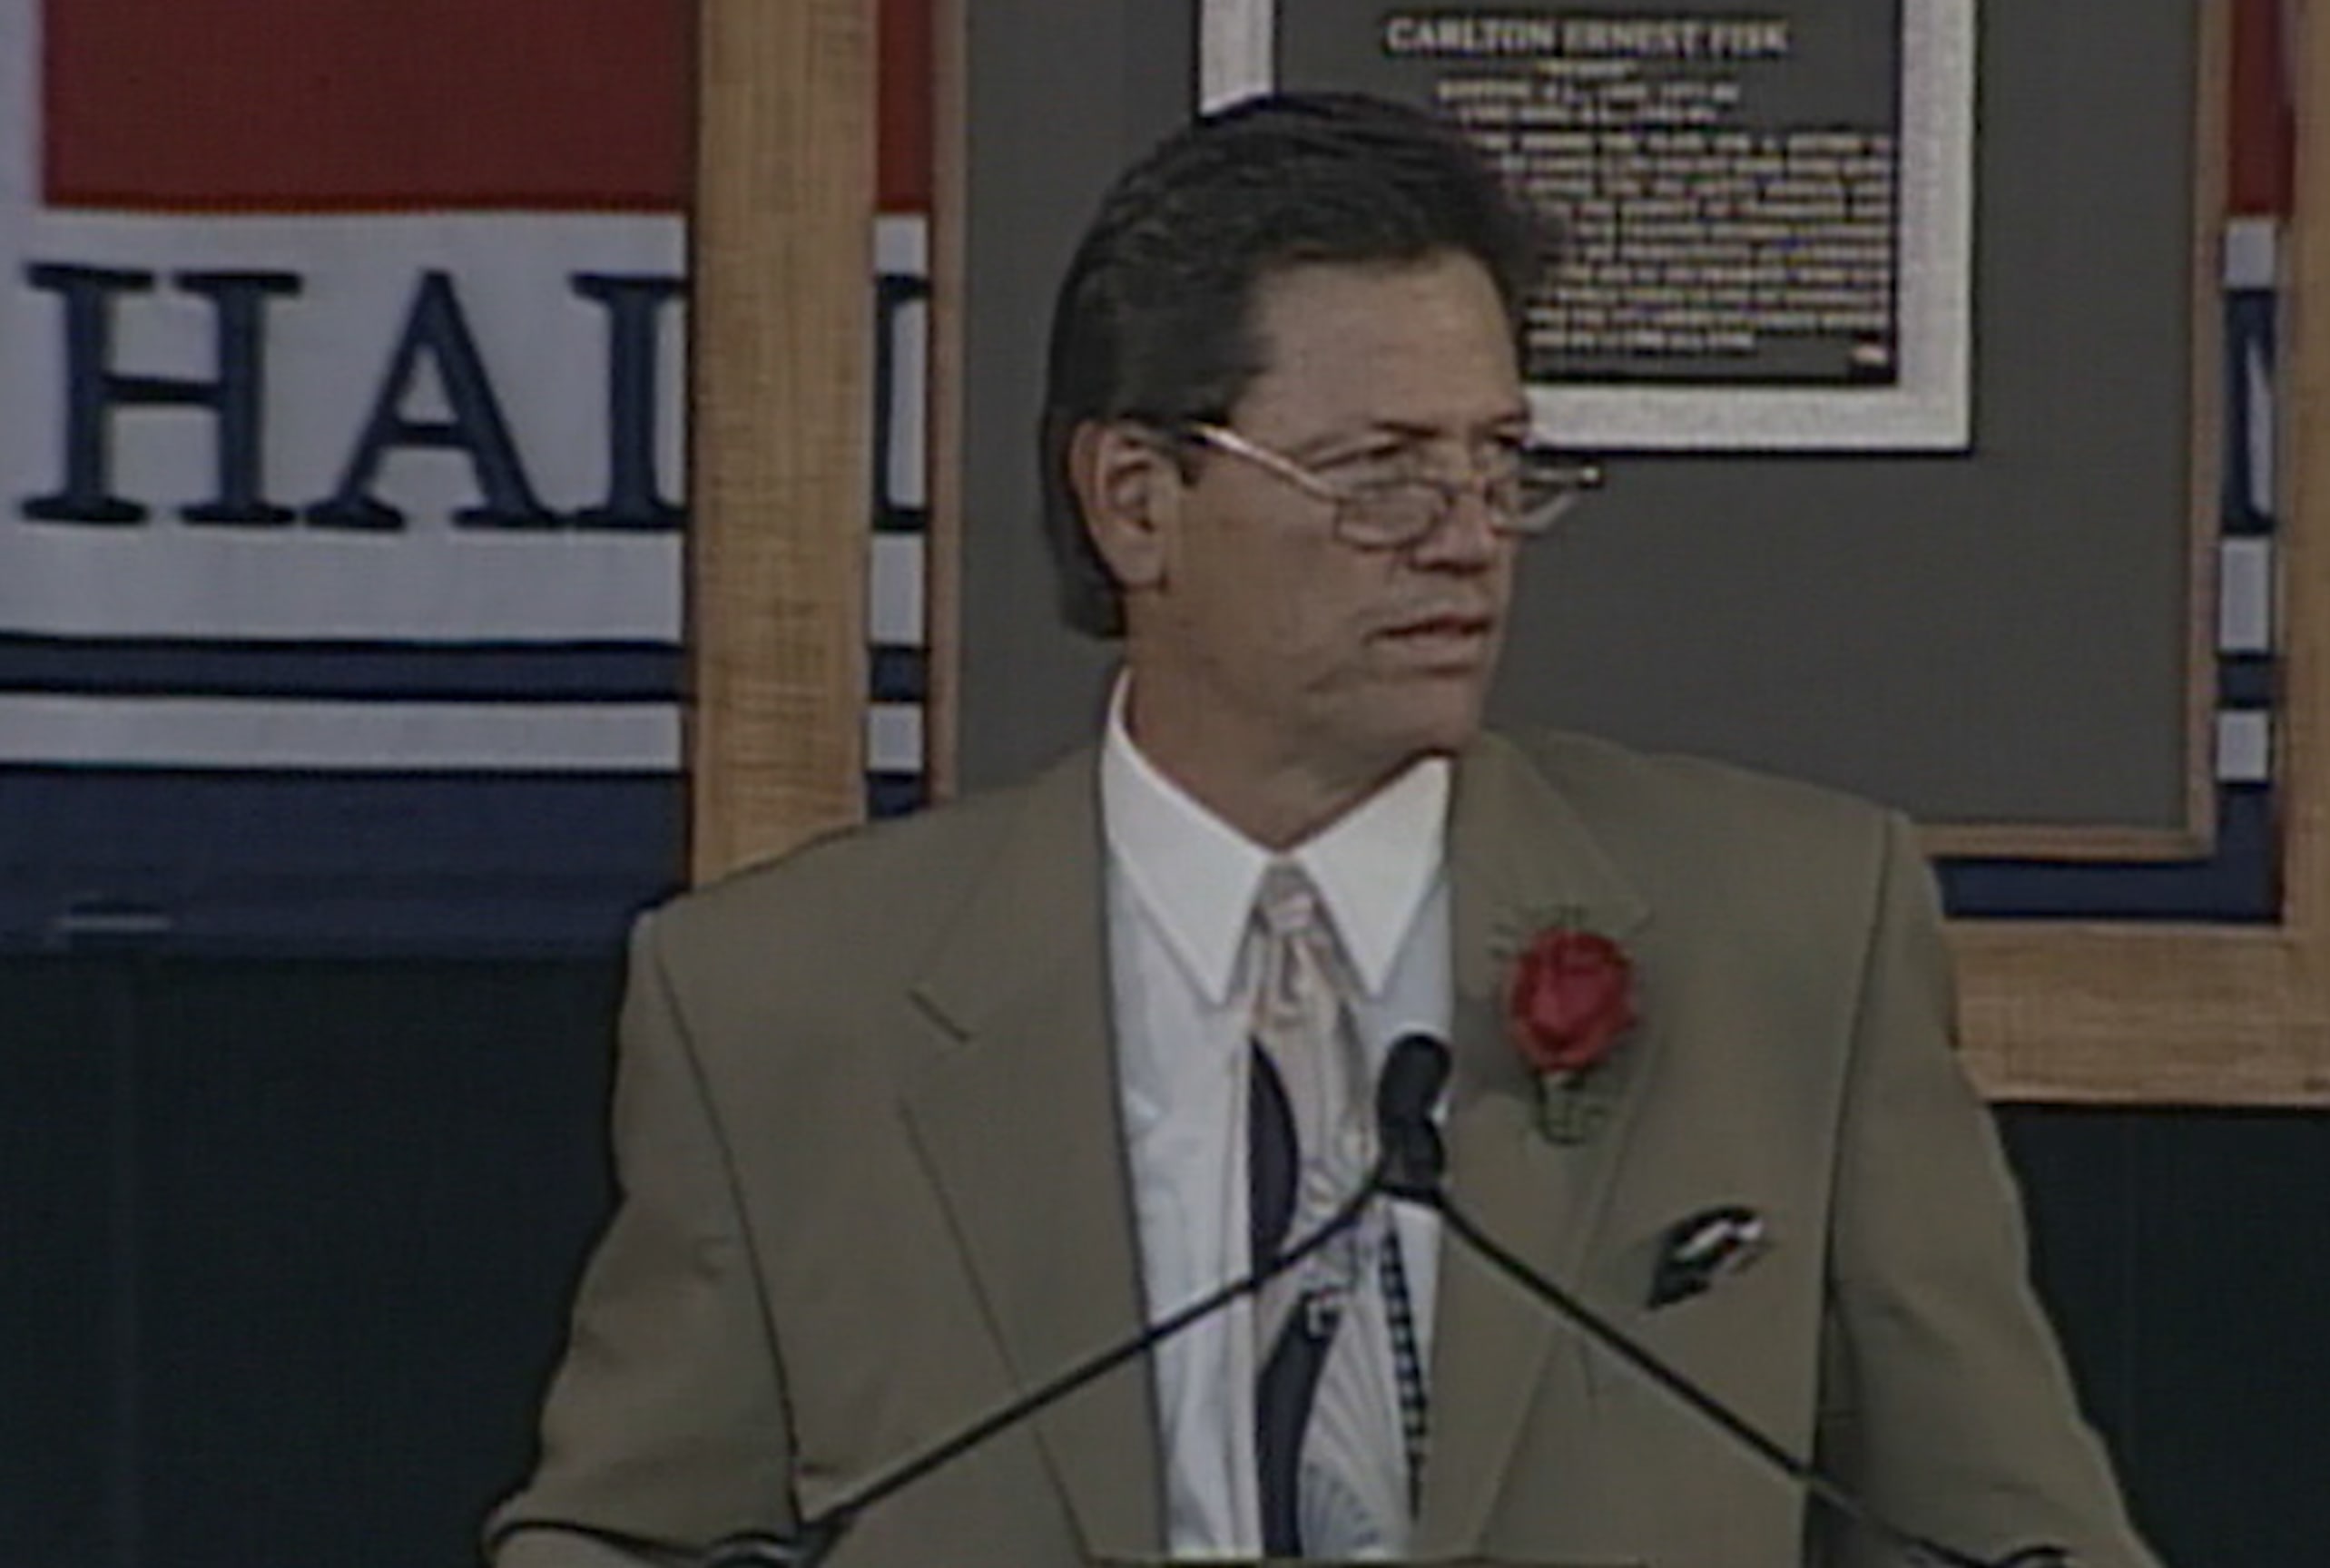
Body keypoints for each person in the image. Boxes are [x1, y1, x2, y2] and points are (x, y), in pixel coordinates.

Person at [487, 92, 2161, 1568]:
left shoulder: (1792, 933)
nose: (1467, 541)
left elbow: (2003, 1535)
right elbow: (631, 1532)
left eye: (1500, 465)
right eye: (1379, 472)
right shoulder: (786, 1008)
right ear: (1136, 502)